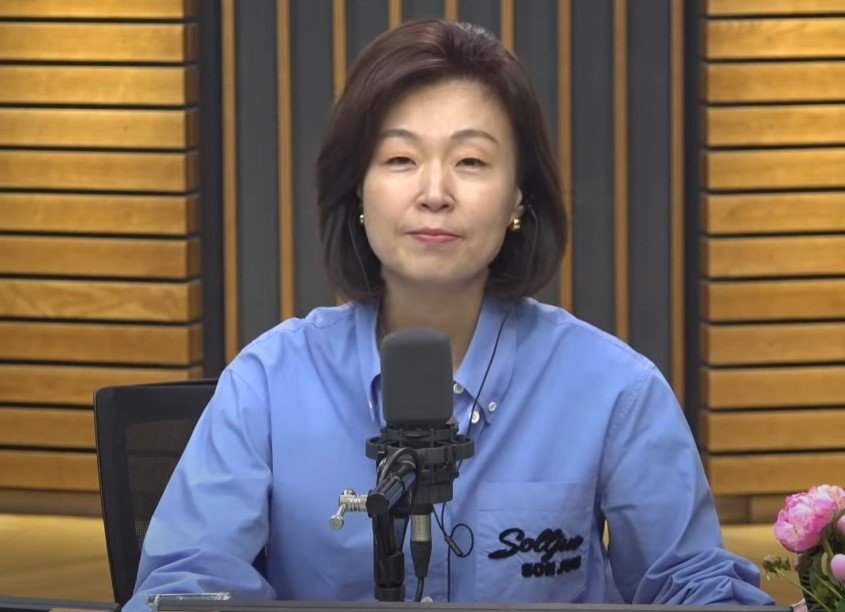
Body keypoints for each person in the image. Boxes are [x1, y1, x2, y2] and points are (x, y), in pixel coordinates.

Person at [125, 19, 773, 610]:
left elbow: (690, 582)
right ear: (357, 190)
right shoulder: (268, 381)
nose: (434, 193)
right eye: (400, 159)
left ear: (518, 198)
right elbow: (185, 583)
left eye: (471, 162)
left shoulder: (614, 389)